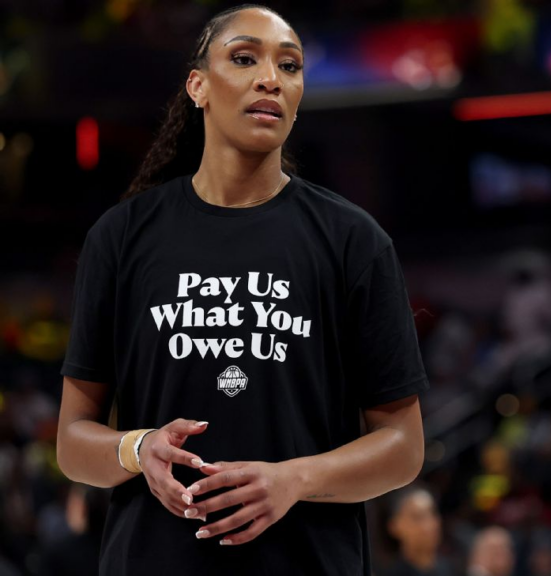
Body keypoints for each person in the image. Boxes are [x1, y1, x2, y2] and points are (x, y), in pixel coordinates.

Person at [55, 5, 428, 575]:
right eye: (245, 58)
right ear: (198, 86)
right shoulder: (122, 236)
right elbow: (72, 441)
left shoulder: (353, 240)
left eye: (290, 65)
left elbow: (403, 446)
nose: (270, 79)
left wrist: (293, 479)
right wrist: (136, 449)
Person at [383, 485, 454, 576]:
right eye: (417, 517)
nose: (428, 525)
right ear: (394, 526)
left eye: (432, 513)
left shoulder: (450, 568)